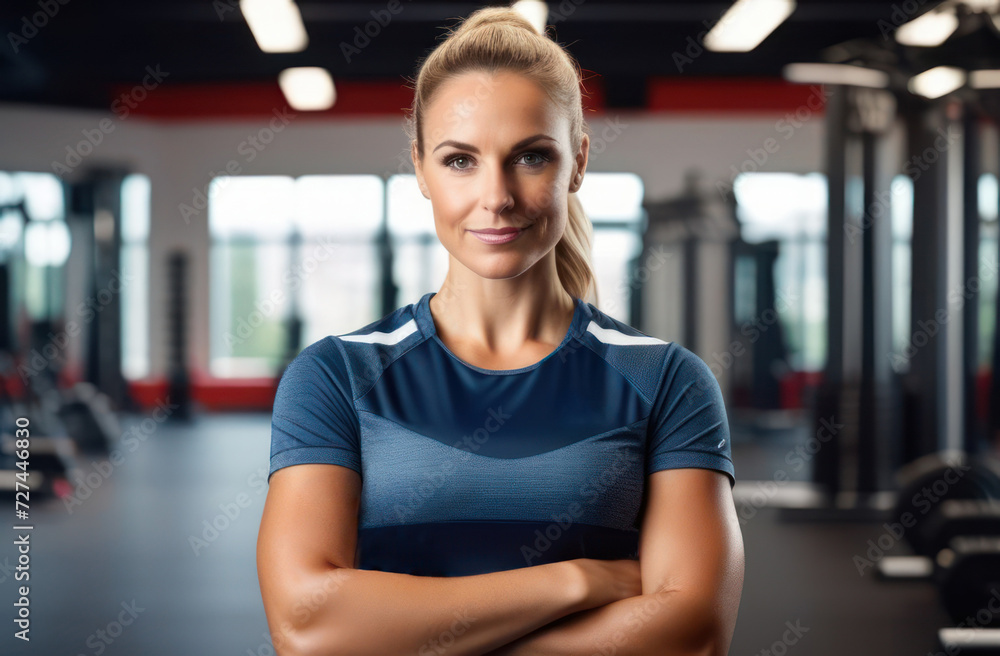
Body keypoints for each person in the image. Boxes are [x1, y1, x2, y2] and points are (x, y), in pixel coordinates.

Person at [256, 6, 744, 656]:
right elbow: (308, 627)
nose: (497, 196)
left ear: (577, 164)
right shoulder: (335, 377)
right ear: (422, 169)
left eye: (531, 157)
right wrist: (577, 581)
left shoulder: (666, 380)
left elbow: (691, 636)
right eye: (460, 161)